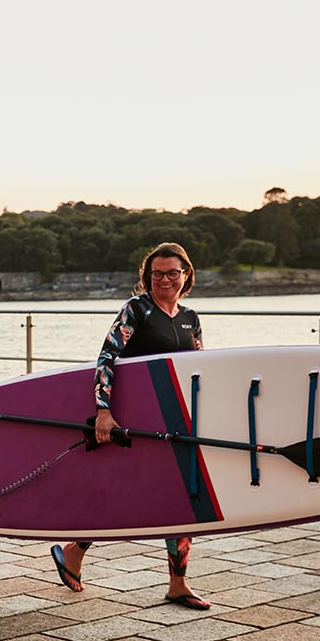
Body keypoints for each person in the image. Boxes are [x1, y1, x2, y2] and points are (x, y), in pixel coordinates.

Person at [50, 242, 210, 610]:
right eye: (157, 274)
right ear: (147, 277)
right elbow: (107, 358)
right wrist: (103, 411)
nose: (165, 279)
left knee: (183, 499)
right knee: (123, 495)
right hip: (134, 421)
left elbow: (200, 370)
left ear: (186, 275)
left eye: (173, 273)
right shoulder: (136, 310)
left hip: (176, 421)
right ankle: (74, 550)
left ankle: (178, 584)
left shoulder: (191, 318)